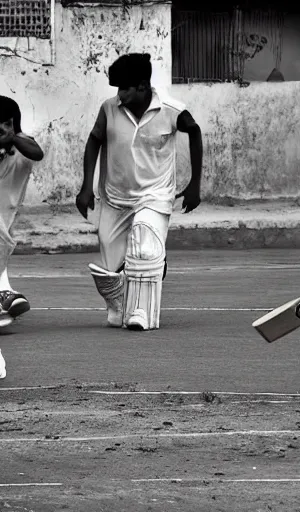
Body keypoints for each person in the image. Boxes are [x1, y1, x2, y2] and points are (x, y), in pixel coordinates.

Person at [76, 53, 203, 331]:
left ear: (143, 86)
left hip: (154, 196)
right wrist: (86, 186)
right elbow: (94, 141)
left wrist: (195, 184)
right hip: (115, 198)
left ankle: (142, 312)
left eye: (124, 88)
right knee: (110, 273)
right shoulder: (109, 108)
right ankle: (121, 305)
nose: (119, 95)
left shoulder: (171, 109)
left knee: (143, 249)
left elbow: (194, 131)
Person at [0, 96, 45, 378]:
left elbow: (37, 152)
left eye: (7, 123)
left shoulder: (22, 150)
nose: (1, 128)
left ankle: (4, 296)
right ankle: (5, 297)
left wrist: (12, 136)